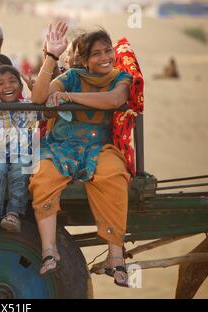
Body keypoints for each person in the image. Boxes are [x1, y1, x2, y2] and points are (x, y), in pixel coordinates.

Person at [30, 22, 133, 287]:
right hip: (60, 145)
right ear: (85, 61)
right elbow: (39, 97)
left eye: (107, 51)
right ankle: (49, 251)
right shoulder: (72, 76)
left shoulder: (121, 78)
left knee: (113, 175)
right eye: (96, 54)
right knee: (43, 175)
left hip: (98, 148)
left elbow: (114, 100)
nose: (104, 58)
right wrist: (51, 58)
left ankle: (115, 256)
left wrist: (68, 98)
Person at [0, 65, 42, 236]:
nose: (7, 86)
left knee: (21, 169)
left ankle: (13, 214)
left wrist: (35, 89)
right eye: (0, 83)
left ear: (21, 87)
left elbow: (48, 111)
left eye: (12, 81)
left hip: (23, 155)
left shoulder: (30, 106)